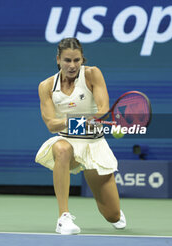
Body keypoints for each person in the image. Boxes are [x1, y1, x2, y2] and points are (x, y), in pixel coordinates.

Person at [35, 37, 126, 235]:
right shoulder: (46, 86)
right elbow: (51, 124)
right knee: (61, 149)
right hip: (67, 141)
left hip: (94, 145)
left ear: (82, 59)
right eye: (67, 60)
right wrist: (78, 122)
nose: (72, 65)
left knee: (113, 216)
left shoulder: (93, 74)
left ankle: (116, 213)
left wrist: (88, 119)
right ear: (58, 59)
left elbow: (102, 109)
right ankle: (63, 218)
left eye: (77, 60)